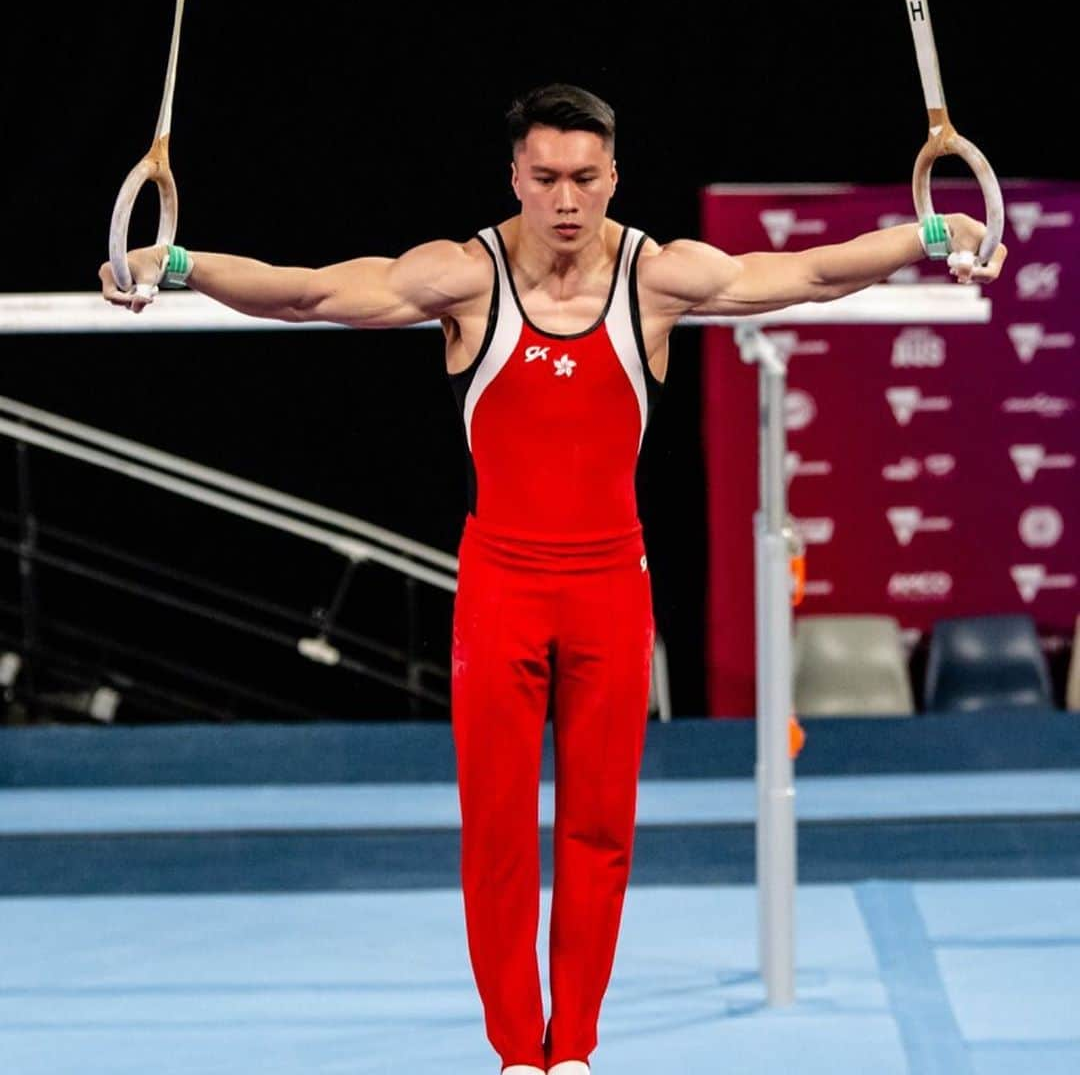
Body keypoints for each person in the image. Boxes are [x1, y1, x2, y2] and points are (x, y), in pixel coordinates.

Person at [100, 83, 1007, 1074]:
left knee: (599, 830)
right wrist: (173, 261)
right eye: (546, 179)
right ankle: (514, 1056)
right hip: (502, 585)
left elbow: (817, 274)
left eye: (585, 177)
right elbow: (307, 291)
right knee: (495, 836)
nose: (567, 200)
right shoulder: (461, 276)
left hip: (613, 586)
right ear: (515, 179)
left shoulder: (658, 276)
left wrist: (938, 227)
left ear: (614, 174)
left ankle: (571, 1050)